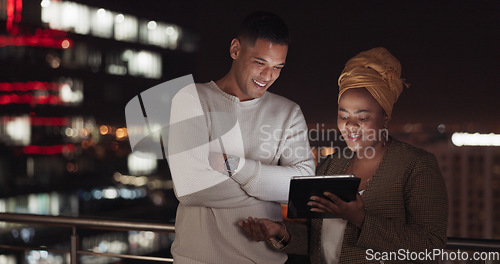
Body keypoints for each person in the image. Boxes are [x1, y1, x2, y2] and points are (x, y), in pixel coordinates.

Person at [239, 47, 448, 263]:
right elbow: (317, 239)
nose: (350, 126)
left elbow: (430, 245)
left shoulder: (415, 166)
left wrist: (361, 219)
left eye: (363, 117)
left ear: (385, 117)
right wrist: (279, 231)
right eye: (343, 115)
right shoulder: (331, 165)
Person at [167, 11, 315, 264]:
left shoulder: (288, 112)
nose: (268, 76)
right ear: (235, 49)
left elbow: (301, 187)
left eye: (277, 67)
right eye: (260, 62)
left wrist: (239, 168)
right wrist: (270, 186)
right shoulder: (192, 99)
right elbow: (190, 189)